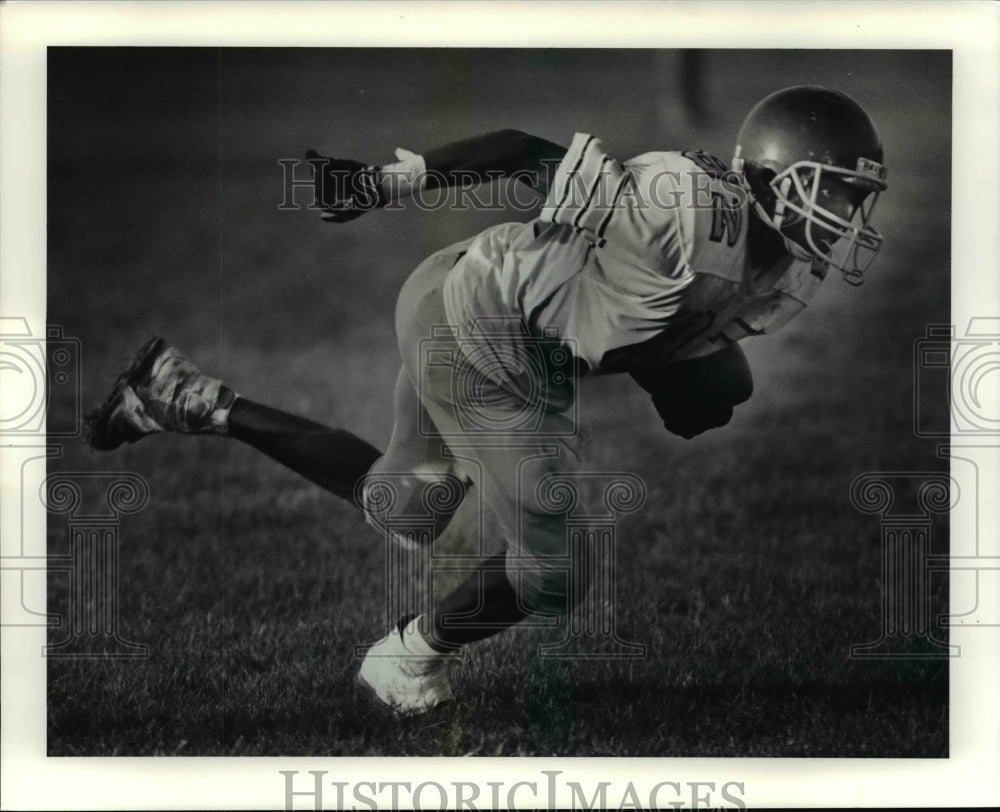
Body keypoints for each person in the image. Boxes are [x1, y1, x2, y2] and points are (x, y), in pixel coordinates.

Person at [86, 86, 888, 715]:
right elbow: (527, 151)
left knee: (404, 510)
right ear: (771, 177)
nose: (848, 218)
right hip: (486, 331)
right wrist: (382, 181)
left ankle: (185, 398)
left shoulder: (792, 271)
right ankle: (402, 660)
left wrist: (697, 377)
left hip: (458, 297)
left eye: (857, 199)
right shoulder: (683, 206)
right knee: (553, 577)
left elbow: (653, 335)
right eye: (837, 194)